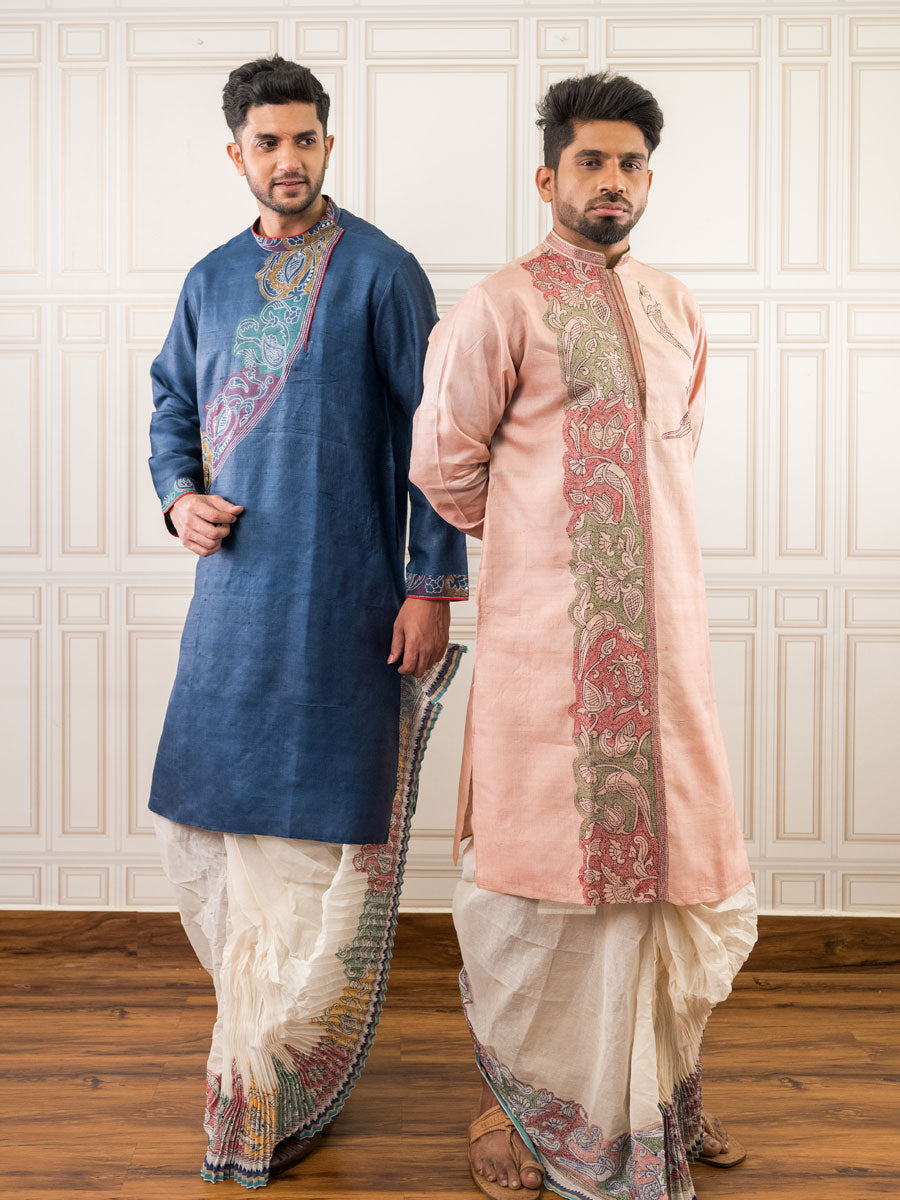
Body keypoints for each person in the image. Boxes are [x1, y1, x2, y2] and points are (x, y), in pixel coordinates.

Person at [410, 71, 757, 1200]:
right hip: (542, 655)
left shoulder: (674, 305)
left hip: (667, 647)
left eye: (632, 164)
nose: (614, 181)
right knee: (533, 886)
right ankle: (514, 1106)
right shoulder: (498, 307)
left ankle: (656, 1092)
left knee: (673, 874)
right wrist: (547, 547)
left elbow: (675, 448)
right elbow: (444, 466)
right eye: (592, 162)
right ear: (547, 175)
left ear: (650, 179)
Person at [147, 55, 467, 1187]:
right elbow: (171, 402)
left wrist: (430, 585)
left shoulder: (382, 272)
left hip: (345, 607)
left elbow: (437, 439)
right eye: (267, 142)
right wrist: (178, 496)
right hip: (232, 610)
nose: (288, 160)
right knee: (200, 833)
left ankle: (273, 1087)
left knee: (315, 852)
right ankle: (254, 1067)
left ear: (329, 144)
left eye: (305, 140)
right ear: (236, 153)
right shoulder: (209, 280)